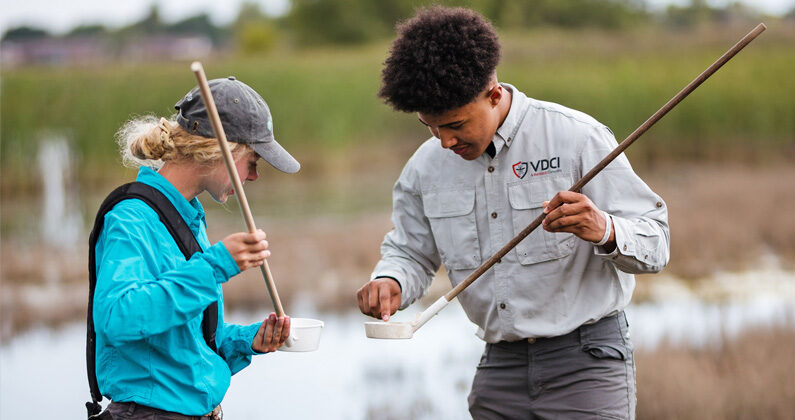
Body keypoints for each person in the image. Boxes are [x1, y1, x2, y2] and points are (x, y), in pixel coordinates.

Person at [356, 7, 669, 419]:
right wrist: (391, 279)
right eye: (430, 127)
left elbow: (656, 244)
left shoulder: (577, 137)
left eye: (456, 124)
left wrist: (604, 229)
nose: (445, 141)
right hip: (498, 369)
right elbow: (411, 253)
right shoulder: (424, 167)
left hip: (587, 363)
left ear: (494, 94)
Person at [89, 76, 299, 419]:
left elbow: (183, 340)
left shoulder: (187, 217)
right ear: (220, 152)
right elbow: (118, 318)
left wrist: (247, 341)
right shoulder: (131, 219)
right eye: (253, 163)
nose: (254, 177)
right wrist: (214, 266)